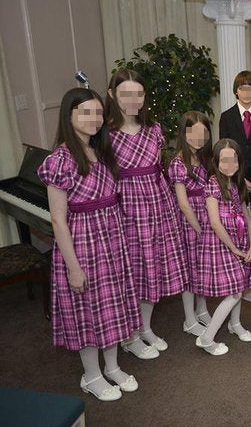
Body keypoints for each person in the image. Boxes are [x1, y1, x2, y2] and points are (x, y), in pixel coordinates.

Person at [38, 88, 141, 401]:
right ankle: (91, 375)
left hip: (111, 240)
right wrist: (73, 267)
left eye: (98, 113)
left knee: (112, 306)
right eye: (85, 113)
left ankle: (111, 366)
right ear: (69, 116)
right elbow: (58, 219)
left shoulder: (101, 150)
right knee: (87, 312)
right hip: (82, 243)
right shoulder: (60, 159)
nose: (94, 119)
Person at [106, 69, 187, 360]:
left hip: (157, 202)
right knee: (133, 271)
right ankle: (129, 336)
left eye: (138, 94)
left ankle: (144, 326)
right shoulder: (104, 133)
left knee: (153, 268)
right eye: (126, 93)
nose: (133, 100)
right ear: (112, 94)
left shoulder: (153, 129)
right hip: (126, 207)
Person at [195, 139, 251, 356]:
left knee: (238, 287)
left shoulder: (237, 184)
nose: (230, 164)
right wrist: (234, 249)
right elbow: (214, 222)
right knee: (235, 292)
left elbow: (247, 217)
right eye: (224, 160)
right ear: (216, 162)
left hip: (239, 240)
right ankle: (207, 337)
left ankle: (235, 324)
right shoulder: (213, 184)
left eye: (234, 159)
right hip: (221, 243)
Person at [167, 111, 214, 336]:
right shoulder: (179, 163)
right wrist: (200, 229)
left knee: (201, 267)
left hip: (205, 216)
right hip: (189, 223)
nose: (199, 137)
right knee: (189, 270)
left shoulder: (204, 159)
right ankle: (189, 318)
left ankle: (202, 309)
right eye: (193, 132)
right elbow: (183, 204)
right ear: (184, 134)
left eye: (203, 132)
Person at [219, 70, 251, 190]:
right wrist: (239, 178)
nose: (246, 93)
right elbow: (224, 151)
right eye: (242, 89)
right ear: (236, 91)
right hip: (235, 177)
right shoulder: (226, 117)